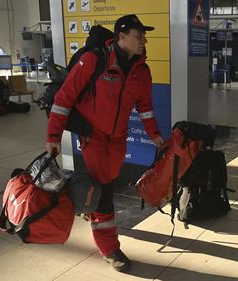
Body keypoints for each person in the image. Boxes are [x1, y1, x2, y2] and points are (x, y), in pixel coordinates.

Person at [46, 14, 163, 272]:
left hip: (118, 140)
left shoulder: (141, 71)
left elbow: (145, 107)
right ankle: (110, 248)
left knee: (107, 182)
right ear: (122, 36)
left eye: (144, 35)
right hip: (93, 137)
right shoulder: (94, 60)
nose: (144, 39)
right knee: (104, 193)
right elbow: (64, 98)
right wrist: (53, 137)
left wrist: (154, 133)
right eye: (138, 35)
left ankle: (93, 210)